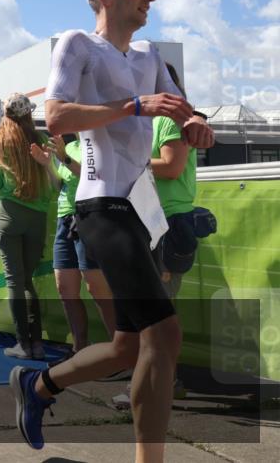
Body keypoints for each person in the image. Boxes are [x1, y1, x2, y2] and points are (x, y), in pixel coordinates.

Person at [11, 0, 214, 462]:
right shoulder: (77, 44)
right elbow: (55, 116)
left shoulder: (150, 56)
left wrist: (197, 128)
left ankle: (38, 386)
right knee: (164, 333)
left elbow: (186, 115)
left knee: (128, 345)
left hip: (140, 210)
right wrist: (133, 107)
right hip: (99, 204)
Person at [112, 63, 203, 408]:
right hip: (157, 221)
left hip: (165, 224)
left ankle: (154, 387)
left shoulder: (169, 118)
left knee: (156, 312)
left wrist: (131, 162)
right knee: (157, 311)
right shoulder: (166, 118)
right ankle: (163, 382)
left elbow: (172, 166)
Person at [0, 92, 56, 360]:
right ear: (29, 114)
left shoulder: (0, 144)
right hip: (37, 218)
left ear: (6, 116)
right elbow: (52, 186)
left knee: (14, 282)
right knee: (28, 282)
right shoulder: (40, 141)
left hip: (9, 215)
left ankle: (22, 344)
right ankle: (36, 344)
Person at [51, 133, 117, 357]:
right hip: (65, 218)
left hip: (89, 217)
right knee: (65, 288)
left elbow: (93, 177)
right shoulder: (70, 146)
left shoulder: (99, 144)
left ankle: (122, 352)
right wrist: (45, 164)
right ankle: (79, 349)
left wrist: (64, 158)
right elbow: (59, 185)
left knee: (97, 288)